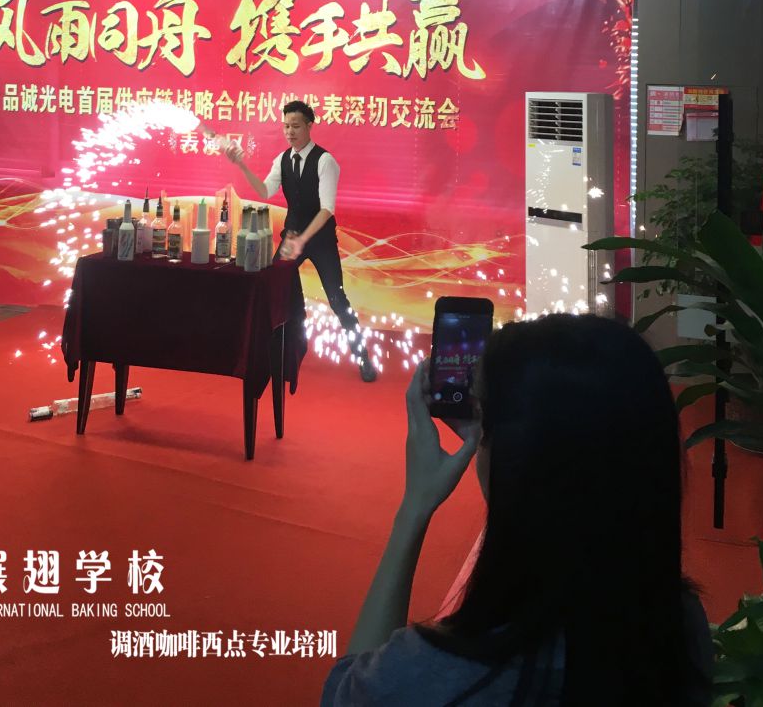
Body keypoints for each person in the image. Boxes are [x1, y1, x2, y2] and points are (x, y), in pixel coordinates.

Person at [321, 313, 713, 705]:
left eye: (486, 424)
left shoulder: (435, 673)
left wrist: (414, 509)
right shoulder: (679, 626)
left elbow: (345, 691)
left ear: (519, 466)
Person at [225, 99, 377, 383]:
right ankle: (269, 353)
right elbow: (265, 191)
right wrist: (242, 165)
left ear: (309, 126)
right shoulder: (282, 160)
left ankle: (363, 356)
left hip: (320, 240)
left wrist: (303, 240)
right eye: (286, 126)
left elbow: (327, 209)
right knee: (271, 288)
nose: (290, 132)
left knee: (337, 299)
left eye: (295, 126)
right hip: (292, 236)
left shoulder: (325, 161)